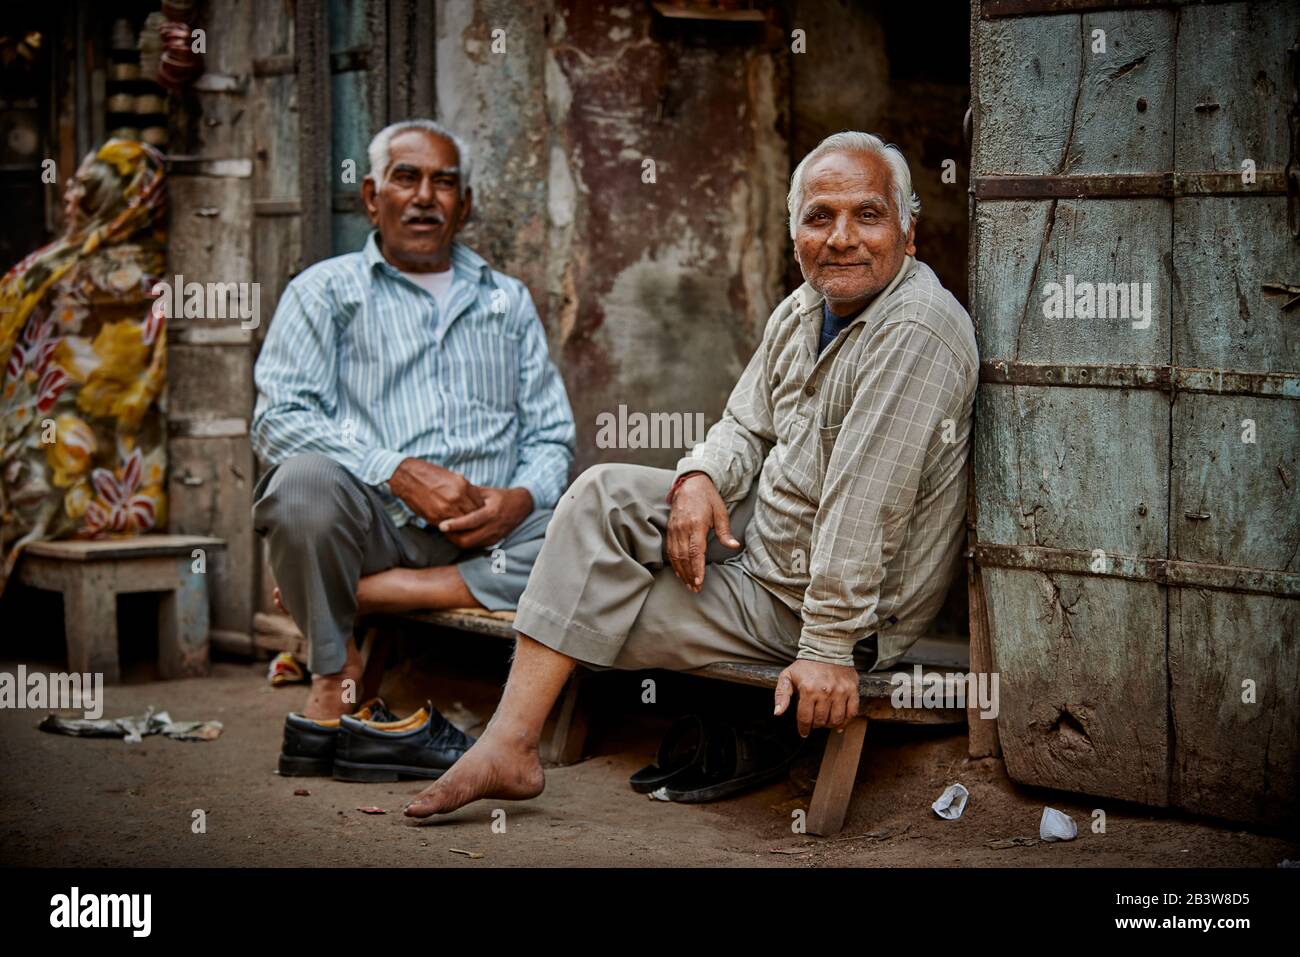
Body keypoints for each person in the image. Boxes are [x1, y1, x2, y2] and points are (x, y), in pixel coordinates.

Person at [403, 130, 979, 818]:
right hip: (763, 553)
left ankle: (507, 742)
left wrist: (828, 647)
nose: (842, 237)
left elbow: (867, 504)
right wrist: (700, 479)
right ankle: (510, 746)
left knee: (581, 601)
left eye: (868, 215)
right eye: (819, 216)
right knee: (598, 495)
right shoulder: (804, 309)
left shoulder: (915, 327)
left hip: (824, 608)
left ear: (909, 234)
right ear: (795, 233)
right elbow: (743, 426)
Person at [250, 120, 575, 726]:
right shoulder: (324, 292)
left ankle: (363, 592)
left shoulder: (506, 299)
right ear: (373, 197)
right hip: (380, 528)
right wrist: (396, 471)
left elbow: (551, 435)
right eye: (407, 178)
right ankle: (334, 673)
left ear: (465, 204)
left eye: (444, 182)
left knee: (610, 524)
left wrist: (518, 498)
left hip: (499, 535)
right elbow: (279, 420)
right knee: (299, 487)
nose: (425, 196)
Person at [0, 140, 168, 596]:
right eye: (71, 183)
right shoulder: (80, 262)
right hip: (126, 472)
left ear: (126, 198)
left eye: (87, 187)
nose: (71, 196)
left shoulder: (71, 269)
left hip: (89, 450)